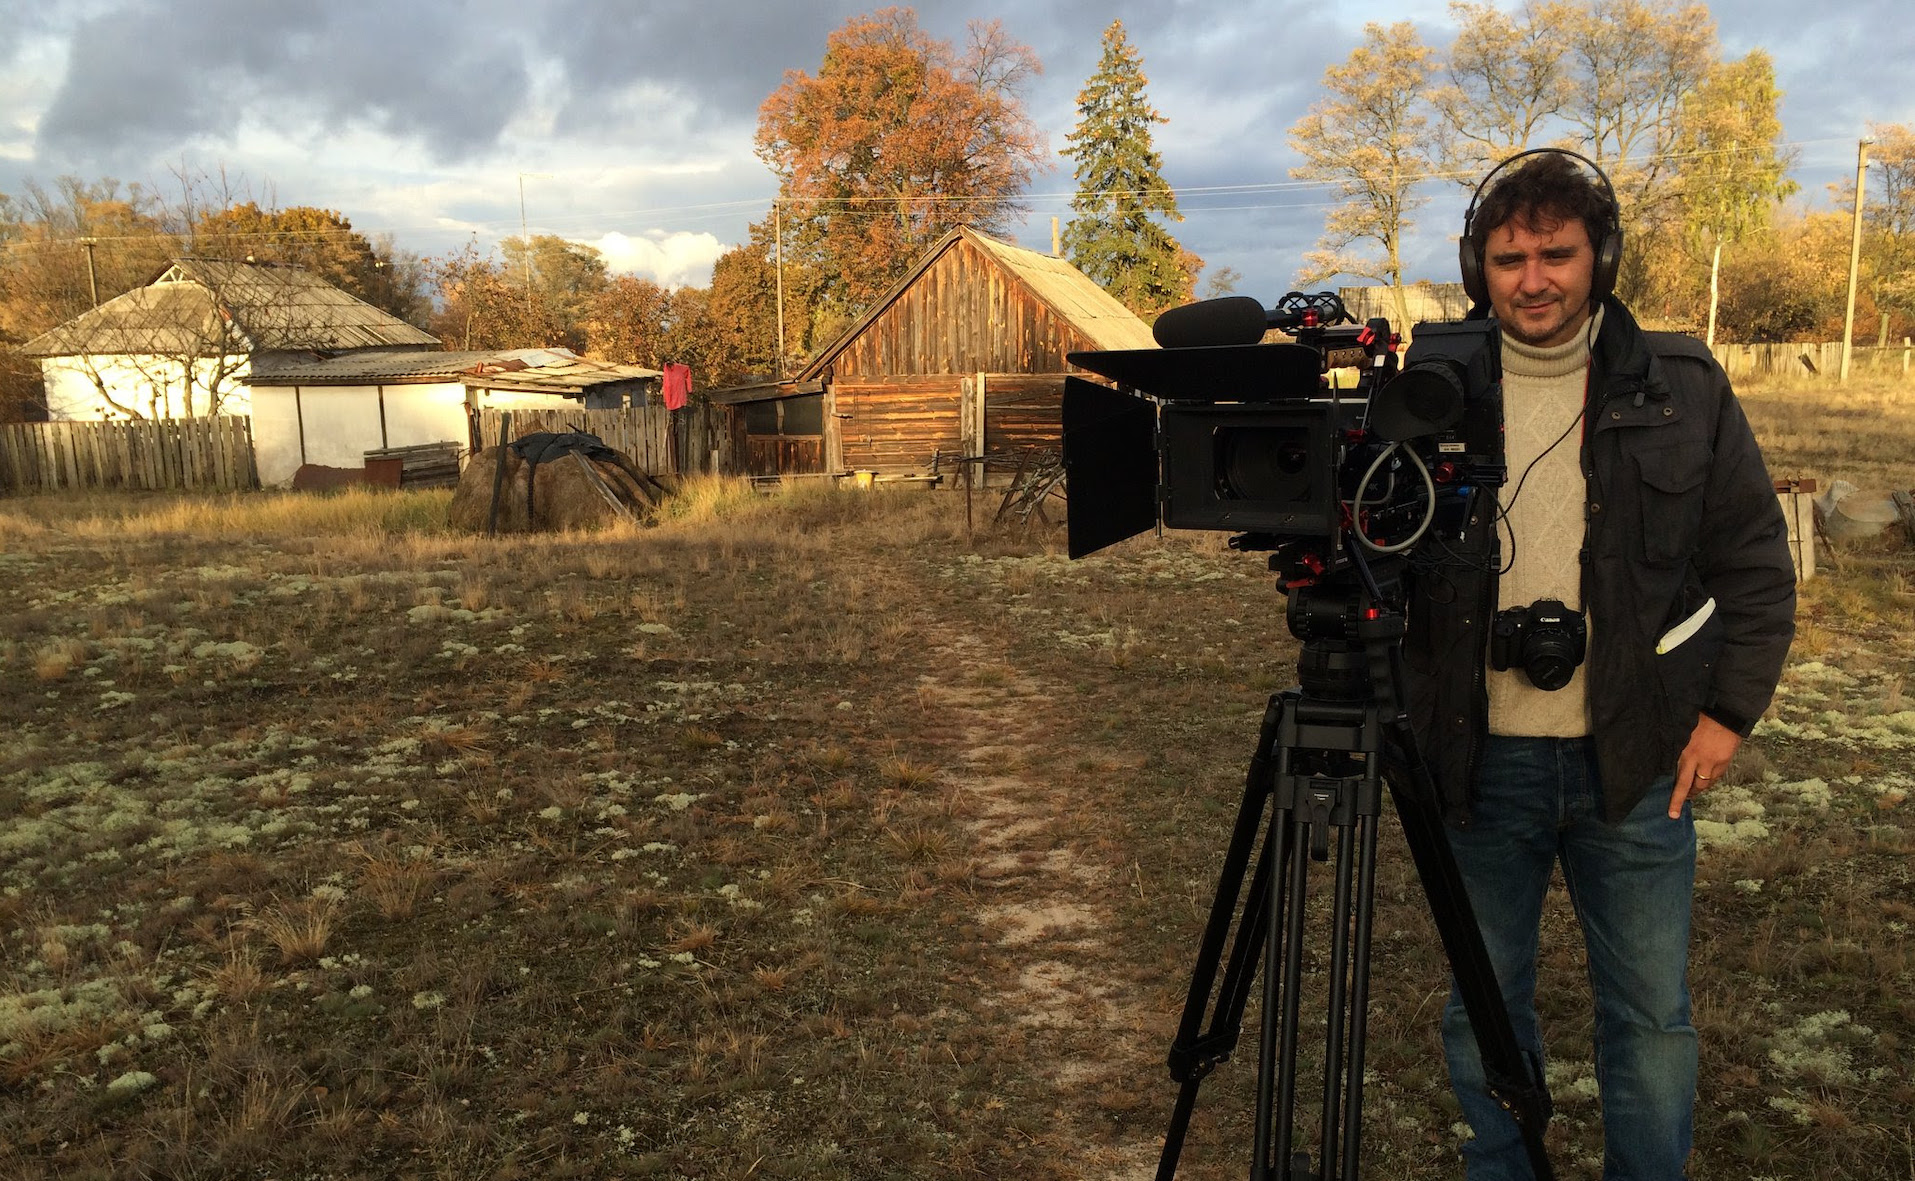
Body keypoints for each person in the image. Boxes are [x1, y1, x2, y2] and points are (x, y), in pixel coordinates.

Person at [1400, 149, 1797, 1179]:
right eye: (1507, 257)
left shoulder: (1683, 387)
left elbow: (1754, 567)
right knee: (1482, 1009)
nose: (1533, 278)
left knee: (1651, 1020)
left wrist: (1727, 717)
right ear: (1475, 267)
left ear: (1600, 257)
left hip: (1636, 760)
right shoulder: (1428, 392)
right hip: (1477, 764)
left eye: (1556, 253)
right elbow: (1373, 560)